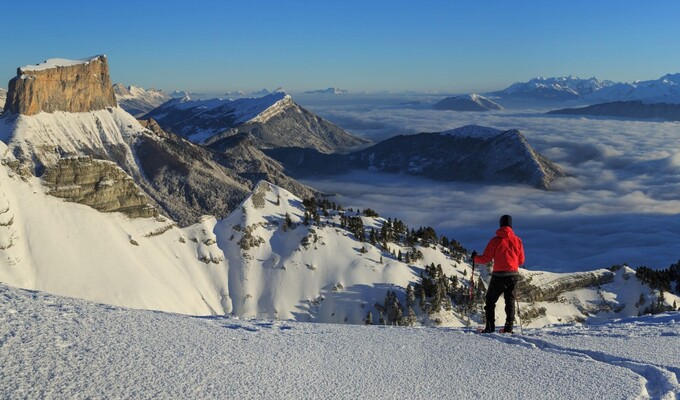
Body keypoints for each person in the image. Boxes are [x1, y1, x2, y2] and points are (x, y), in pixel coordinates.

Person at [471, 215, 525, 333]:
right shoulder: (518, 240)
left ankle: (490, 327)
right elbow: (521, 261)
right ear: (511, 225)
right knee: (510, 301)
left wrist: (475, 258)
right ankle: (508, 328)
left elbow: (485, 258)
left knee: (490, 301)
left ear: (500, 225)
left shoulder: (495, 241)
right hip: (513, 275)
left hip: (498, 275)